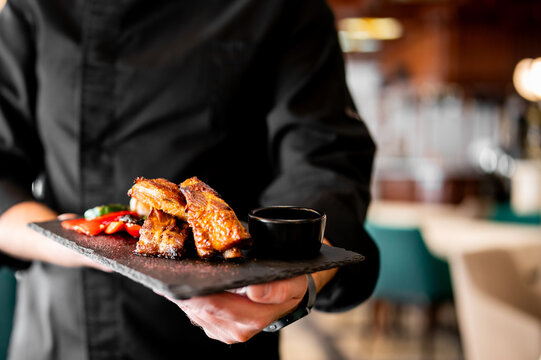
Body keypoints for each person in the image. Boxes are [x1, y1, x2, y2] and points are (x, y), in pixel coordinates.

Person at [0, 0, 379, 359]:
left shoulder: (285, 7)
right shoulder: (37, 7)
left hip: (224, 327)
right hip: (62, 333)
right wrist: (71, 238)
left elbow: (324, 159)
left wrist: (295, 274)